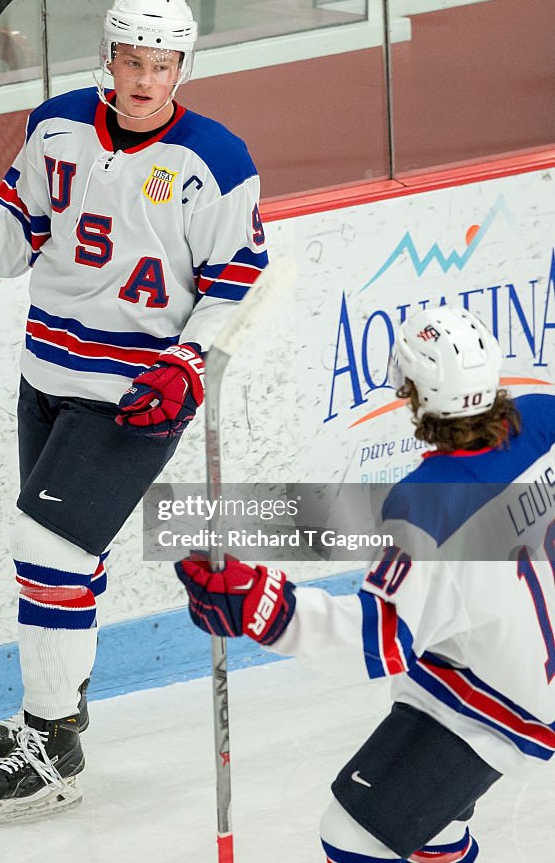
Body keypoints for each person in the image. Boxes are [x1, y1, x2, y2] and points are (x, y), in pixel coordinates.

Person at [0, 0, 268, 823]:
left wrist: (187, 362)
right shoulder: (56, 125)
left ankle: (49, 741)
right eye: (132, 61)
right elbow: (15, 238)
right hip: (48, 377)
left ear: (183, 66)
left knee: (47, 549)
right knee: (67, 561)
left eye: (162, 65)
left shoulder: (215, 159)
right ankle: (61, 715)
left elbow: (240, 278)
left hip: (137, 394)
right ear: (108, 58)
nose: (145, 80)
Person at [176, 304, 555, 862]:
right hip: (516, 662)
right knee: (429, 824)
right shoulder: (545, 416)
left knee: (354, 836)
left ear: (413, 394)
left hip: (496, 699)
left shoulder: (429, 505)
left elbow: (376, 642)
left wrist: (259, 605)